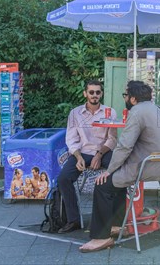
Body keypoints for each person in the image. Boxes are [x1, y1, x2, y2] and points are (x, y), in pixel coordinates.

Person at [78, 80, 160, 253]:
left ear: (132, 98)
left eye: (126, 95)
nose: (125, 98)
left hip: (147, 166)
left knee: (102, 184)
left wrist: (108, 171)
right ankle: (116, 225)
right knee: (117, 182)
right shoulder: (157, 109)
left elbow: (124, 146)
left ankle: (101, 237)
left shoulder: (136, 112)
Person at [57, 80, 117, 234]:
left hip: (103, 151)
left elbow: (112, 139)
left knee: (117, 171)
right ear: (85, 93)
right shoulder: (75, 113)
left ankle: (113, 219)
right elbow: (71, 139)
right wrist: (77, 157)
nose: (95, 95)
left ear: (101, 94)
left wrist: (99, 154)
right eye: (91, 92)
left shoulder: (109, 112)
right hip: (82, 152)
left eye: (98, 92)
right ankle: (73, 220)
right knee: (63, 178)